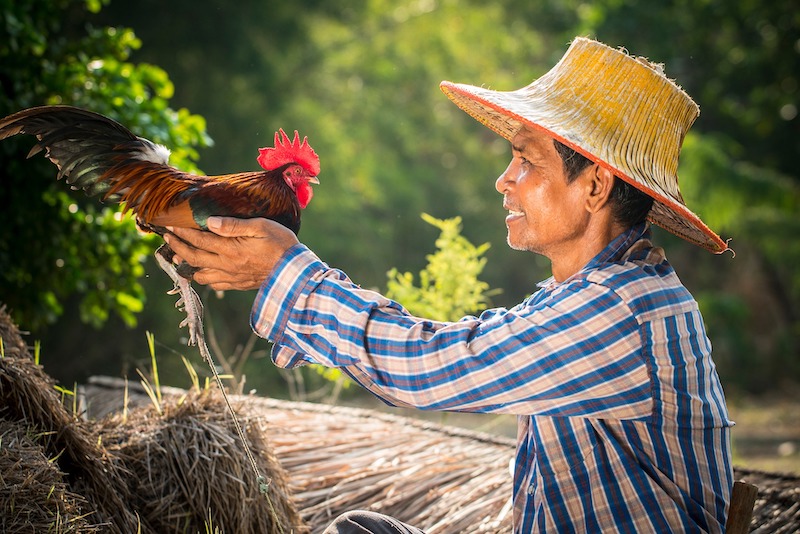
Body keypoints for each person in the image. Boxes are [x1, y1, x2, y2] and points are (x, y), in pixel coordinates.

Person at [166, 37, 734, 533]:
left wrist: (286, 272)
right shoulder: (594, 296)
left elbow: (432, 364)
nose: (504, 180)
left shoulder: (621, 310)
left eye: (525, 161)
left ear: (595, 186)